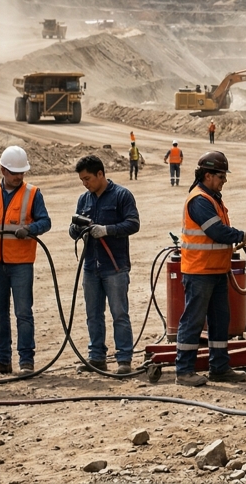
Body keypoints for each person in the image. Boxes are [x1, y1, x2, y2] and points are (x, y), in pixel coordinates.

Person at [175, 151, 246, 386]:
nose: (224, 181)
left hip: (217, 271)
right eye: (221, 176)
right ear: (208, 176)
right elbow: (216, 232)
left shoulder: (213, 197)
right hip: (199, 272)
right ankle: (184, 371)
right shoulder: (199, 200)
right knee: (193, 320)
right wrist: (242, 235)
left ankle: (219, 368)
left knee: (220, 321)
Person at [0, 146, 51, 376]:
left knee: (23, 313)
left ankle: (26, 362)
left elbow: (45, 222)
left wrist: (30, 229)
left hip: (21, 263)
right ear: (3, 170)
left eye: (22, 173)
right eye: (15, 172)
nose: (19, 177)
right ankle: (2, 361)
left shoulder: (32, 193)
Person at [69, 155, 141, 373]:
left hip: (115, 267)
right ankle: (97, 357)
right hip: (91, 267)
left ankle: (124, 360)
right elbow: (73, 228)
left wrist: (107, 230)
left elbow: (133, 223)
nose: (85, 183)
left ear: (101, 174)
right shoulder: (84, 199)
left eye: (88, 178)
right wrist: (76, 229)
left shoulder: (121, 195)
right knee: (93, 315)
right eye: (82, 180)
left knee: (119, 314)